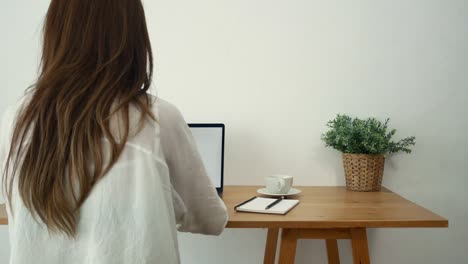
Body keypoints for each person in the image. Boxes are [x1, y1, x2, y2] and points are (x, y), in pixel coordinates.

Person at [0, 0, 228, 263]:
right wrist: (162, 199)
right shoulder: (158, 118)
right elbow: (211, 219)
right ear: (132, 37)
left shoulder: (15, 121)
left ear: (55, 34)